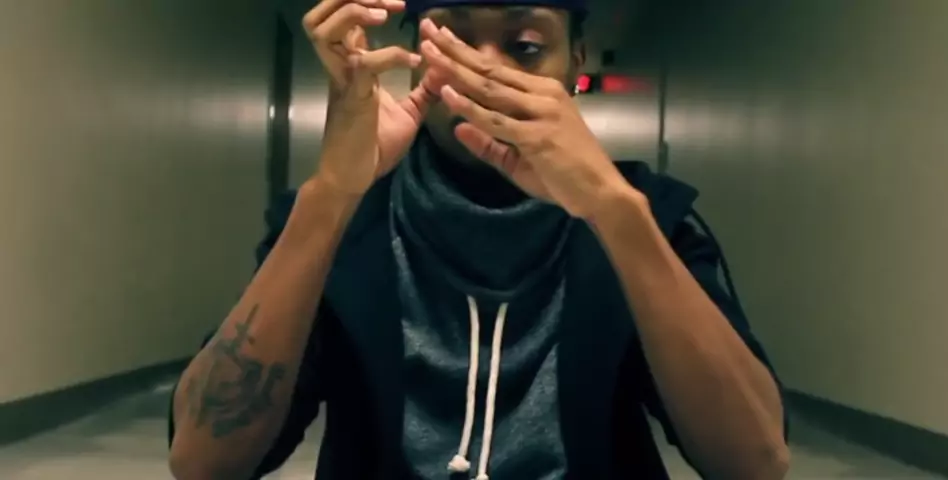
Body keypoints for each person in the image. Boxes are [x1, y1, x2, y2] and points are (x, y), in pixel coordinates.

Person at [167, 0, 790, 478]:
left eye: (525, 46)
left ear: (575, 64)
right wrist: (330, 195)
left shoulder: (643, 215)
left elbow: (755, 462)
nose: (484, 69)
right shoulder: (346, 218)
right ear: (416, 56)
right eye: (454, 40)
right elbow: (202, 461)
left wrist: (617, 213)